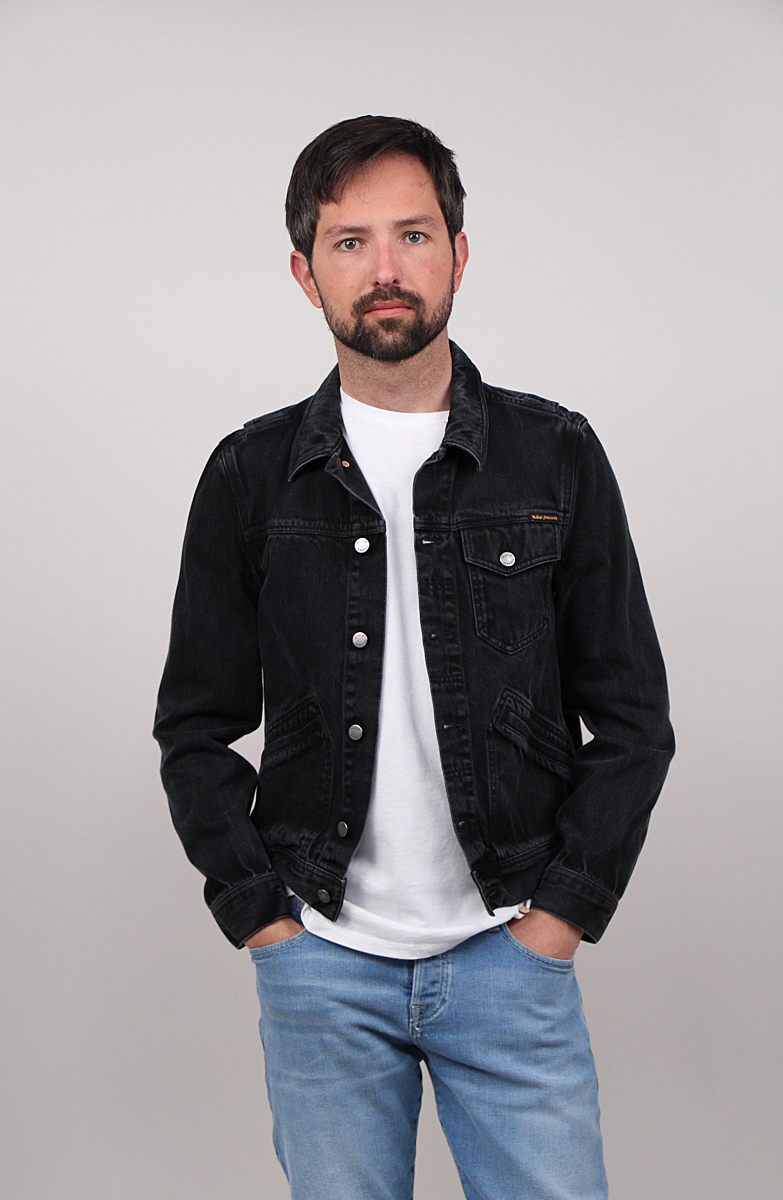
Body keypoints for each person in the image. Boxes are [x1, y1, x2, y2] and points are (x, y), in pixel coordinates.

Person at [154, 115, 674, 1200]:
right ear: (305, 273)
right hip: (321, 962)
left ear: (458, 253)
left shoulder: (555, 454)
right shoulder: (250, 474)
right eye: (349, 242)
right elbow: (195, 725)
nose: (384, 269)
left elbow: (631, 717)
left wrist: (559, 917)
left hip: (509, 950)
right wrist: (264, 920)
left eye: (413, 235)